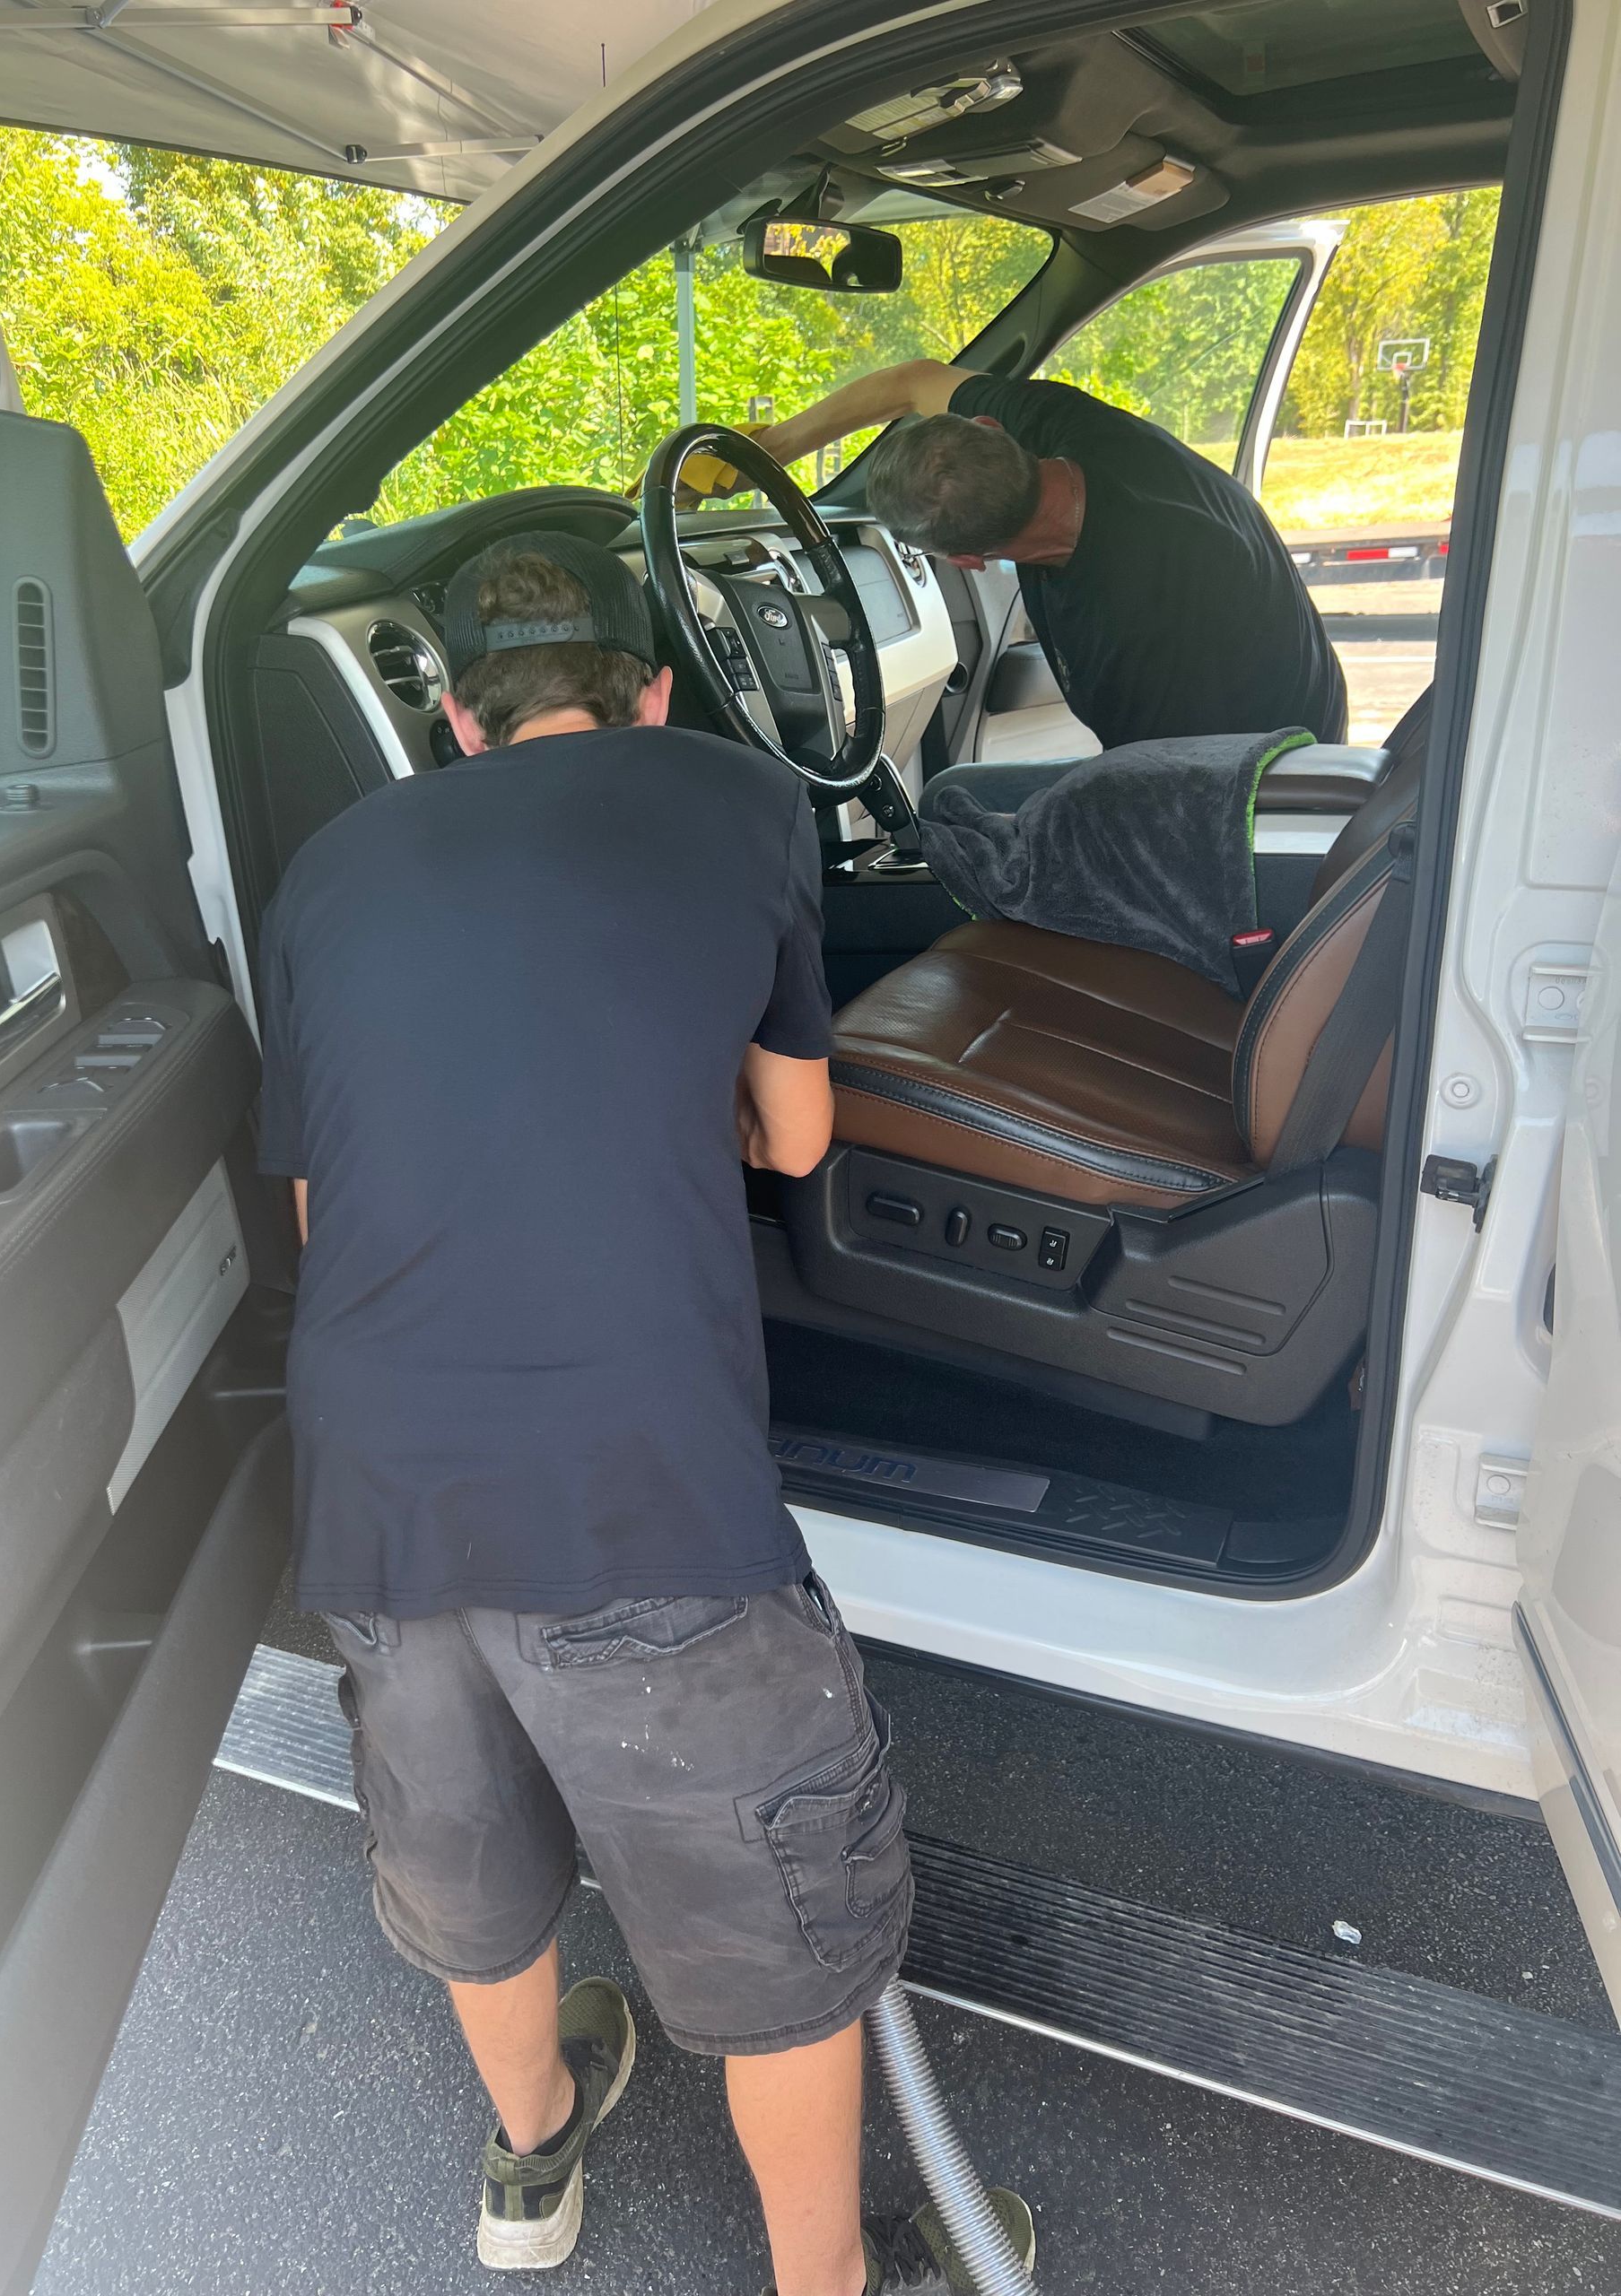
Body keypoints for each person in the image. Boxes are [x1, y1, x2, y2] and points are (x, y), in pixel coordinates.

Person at [255, 530, 1033, 2296]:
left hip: (377, 1484)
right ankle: (828, 2279)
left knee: (470, 1864)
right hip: (635, 1490)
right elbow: (803, 1139)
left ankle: (530, 2166)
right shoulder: (738, 799)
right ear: (654, 687)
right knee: (783, 1944)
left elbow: (320, 1214)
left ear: (452, 715)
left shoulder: (329, 866)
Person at [755, 358, 1346, 805]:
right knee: (956, 800)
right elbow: (915, 381)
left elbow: (1161, 791)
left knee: (951, 806)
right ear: (991, 426)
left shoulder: (1133, 621)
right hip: (1273, 717)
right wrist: (771, 449)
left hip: (1271, 779)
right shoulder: (1056, 423)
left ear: (965, 561)